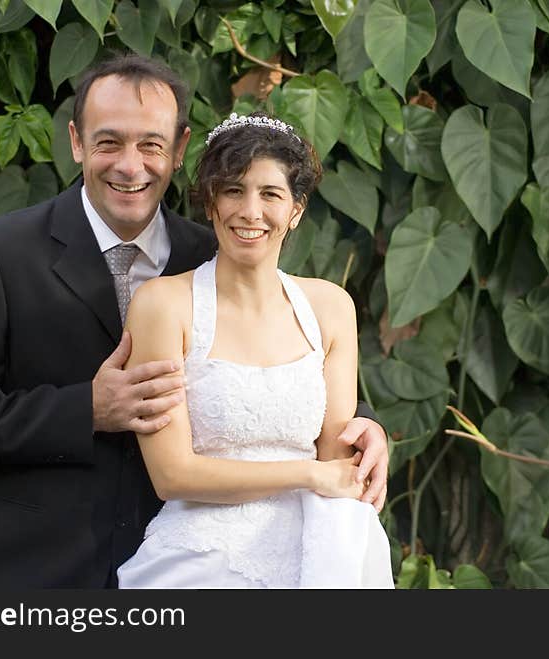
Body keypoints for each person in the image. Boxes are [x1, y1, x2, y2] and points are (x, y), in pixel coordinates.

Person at [0, 53, 388, 588]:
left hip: (192, 567)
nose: (129, 166)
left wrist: (363, 426)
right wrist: (86, 408)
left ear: (179, 149)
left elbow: (276, 359)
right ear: (76, 142)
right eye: (108, 142)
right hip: (36, 569)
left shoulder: (218, 250)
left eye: (151, 145)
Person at [116, 112, 394, 588]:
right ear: (210, 204)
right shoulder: (164, 305)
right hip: (201, 554)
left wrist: (363, 443)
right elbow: (171, 475)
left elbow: (335, 456)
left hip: (316, 545)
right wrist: (307, 475)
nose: (250, 211)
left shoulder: (330, 307)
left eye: (270, 194)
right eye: (233, 191)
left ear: (296, 209)